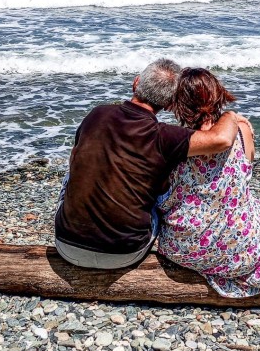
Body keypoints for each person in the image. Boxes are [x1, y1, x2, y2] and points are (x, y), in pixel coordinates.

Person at [54, 58, 243, 269]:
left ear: (136, 83)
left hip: (66, 244)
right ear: (171, 104)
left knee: (77, 164)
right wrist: (231, 115)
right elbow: (221, 140)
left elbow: (75, 161)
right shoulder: (164, 137)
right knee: (158, 198)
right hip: (123, 253)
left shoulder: (96, 114)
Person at [157, 67, 260, 298]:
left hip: (181, 248)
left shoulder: (175, 141)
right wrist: (233, 117)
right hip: (239, 249)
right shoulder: (243, 130)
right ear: (218, 95)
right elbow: (245, 174)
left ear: (178, 103)